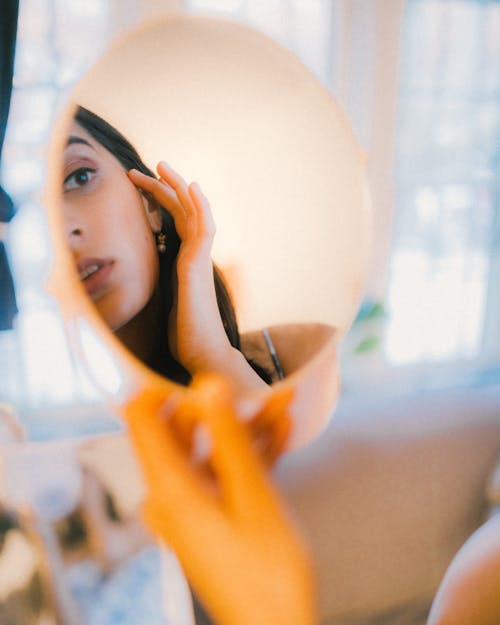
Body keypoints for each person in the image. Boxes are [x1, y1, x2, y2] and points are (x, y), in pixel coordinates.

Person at [62, 106, 336, 454]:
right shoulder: (50, 437)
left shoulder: (307, 357)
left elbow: (300, 493)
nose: (63, 229)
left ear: (151, 203)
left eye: (80, 177)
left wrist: (213, 357)